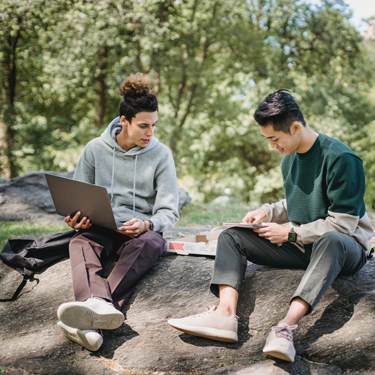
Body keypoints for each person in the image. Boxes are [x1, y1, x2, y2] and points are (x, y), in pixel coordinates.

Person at [168, 89, 374, 362]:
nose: (271, 146)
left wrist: (290, 233)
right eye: (267, 139)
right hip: (304, 244)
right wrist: (266, 212)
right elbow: (297, 202)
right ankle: (224, 314)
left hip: (344, 248)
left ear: (296, 127)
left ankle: (285, 327)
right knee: (232, 236)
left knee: (331, 241)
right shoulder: (289, 159)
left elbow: (343, 226)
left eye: (274, 139)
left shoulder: (342, 159)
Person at [56, 73, 179, 351]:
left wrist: (148, 223)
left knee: (153, 242)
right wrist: (75, 217)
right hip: (100, 227)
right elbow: (77, 197)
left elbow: (169, 211)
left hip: (138, 232)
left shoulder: (162, 155)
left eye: (154, 126)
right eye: (144, 126)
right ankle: (100, 312)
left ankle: (92, 314)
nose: (151, 133)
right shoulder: (95, 149)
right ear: (124, 121)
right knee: (80, 241)